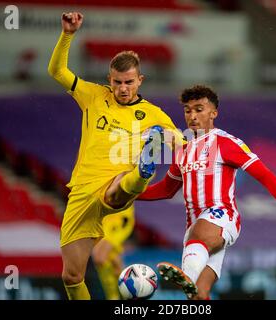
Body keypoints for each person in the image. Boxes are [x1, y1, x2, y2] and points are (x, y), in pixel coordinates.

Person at [138, 85, 276, 300]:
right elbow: (166, 189)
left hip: (221, 216)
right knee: (199, 295)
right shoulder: (183, 150)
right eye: (188, 110)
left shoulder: (226, 143)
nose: (192, 116)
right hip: (195, 231)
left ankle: (186, 276)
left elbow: (265, 175)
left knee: (197, 242)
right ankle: (191, 284)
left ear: (214, 113)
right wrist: (129, 194)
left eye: (199, 109)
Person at [48, 11, 183, 300]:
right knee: (72, 276)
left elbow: (181, 143)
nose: (123, 88)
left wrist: (178, 147)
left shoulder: (153, 114)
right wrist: (68, 35)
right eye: (118, 82)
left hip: (117, 185)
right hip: (81, 193)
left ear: (140, 80)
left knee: (114, 194)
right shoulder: (93, 96)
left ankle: (142, 172)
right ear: (110, 79)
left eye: (129, 82)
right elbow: (57, 72)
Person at [92, 206, 135, 300]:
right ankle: (124, 292)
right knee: (107, 260)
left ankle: (119, 293)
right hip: (104, 225)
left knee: (100, 258)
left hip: (118, 224)